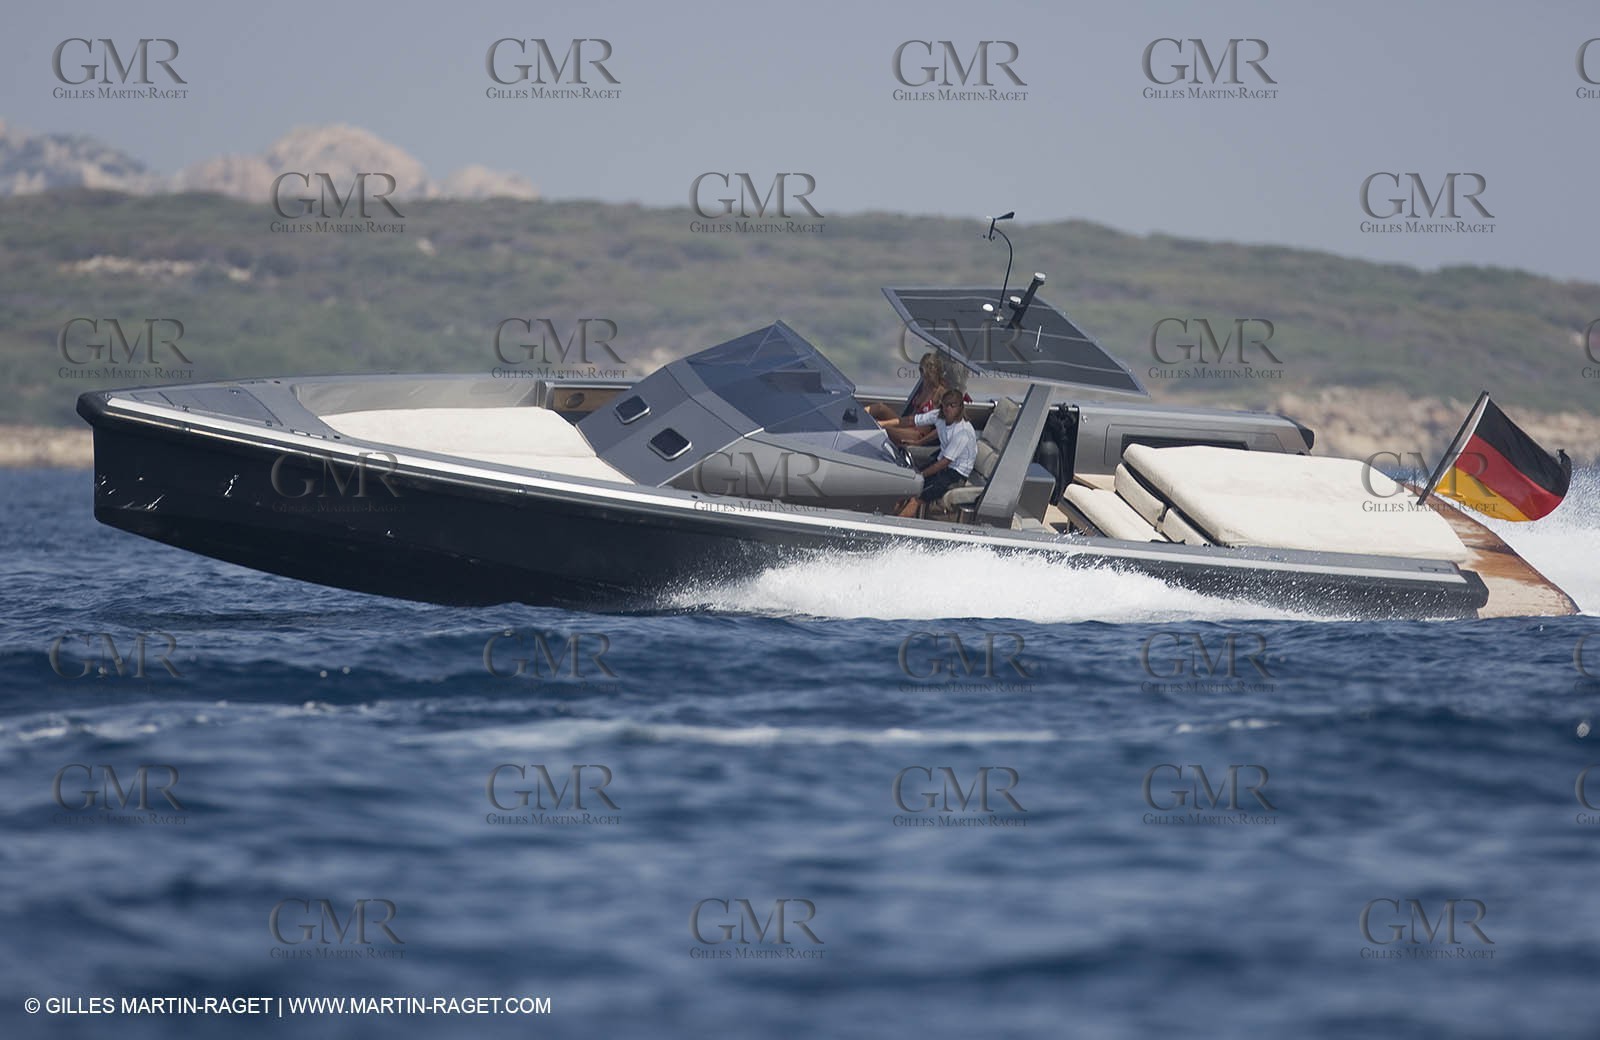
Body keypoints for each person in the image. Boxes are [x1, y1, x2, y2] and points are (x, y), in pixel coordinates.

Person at [893, 390, 976, 518]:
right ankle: (889, 514)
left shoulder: (963, 432)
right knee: (907, 482)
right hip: (942, 460)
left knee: (917, 496)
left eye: (952, 406)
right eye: (945, 405)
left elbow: (944, 463)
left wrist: (921, 475)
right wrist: (917, 442)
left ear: (960, 407)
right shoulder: (940, 416)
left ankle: (895, 526)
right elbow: (915, 421)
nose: (948, 409)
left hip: (955, 473)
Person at [867, 353, 970, 448]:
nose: (923, 375)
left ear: (934, 372)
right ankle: (855, 417)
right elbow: (907, 420)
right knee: (880, 408)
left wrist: (883, 424)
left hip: (917, 433)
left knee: (885, 430)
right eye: (921, 370)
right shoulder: (924, 386)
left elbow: (948, 421)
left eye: (926, 373)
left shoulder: (941, 393)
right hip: (907, 423)